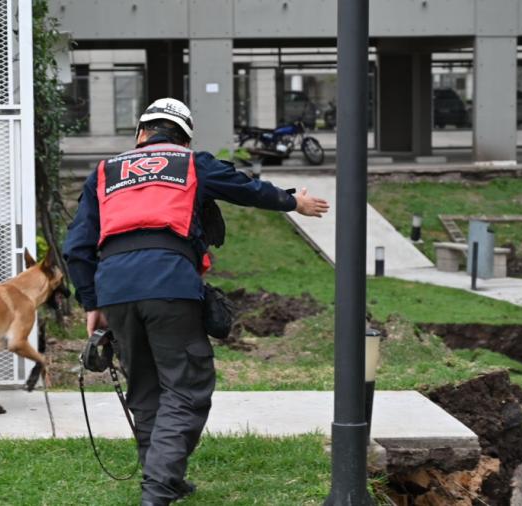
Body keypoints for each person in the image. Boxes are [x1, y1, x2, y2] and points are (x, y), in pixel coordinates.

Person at [63, 98, 329, 506]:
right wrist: (295, 202)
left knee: (146, 387)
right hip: (169, 281)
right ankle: (157, 491)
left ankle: (165, 476)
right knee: (186, 387)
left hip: (115, 287)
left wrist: (91, 302)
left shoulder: (103, 172)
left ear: (141, 133)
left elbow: (78, 246)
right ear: (183, 138)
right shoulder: (190, 163)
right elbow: (246, 188)